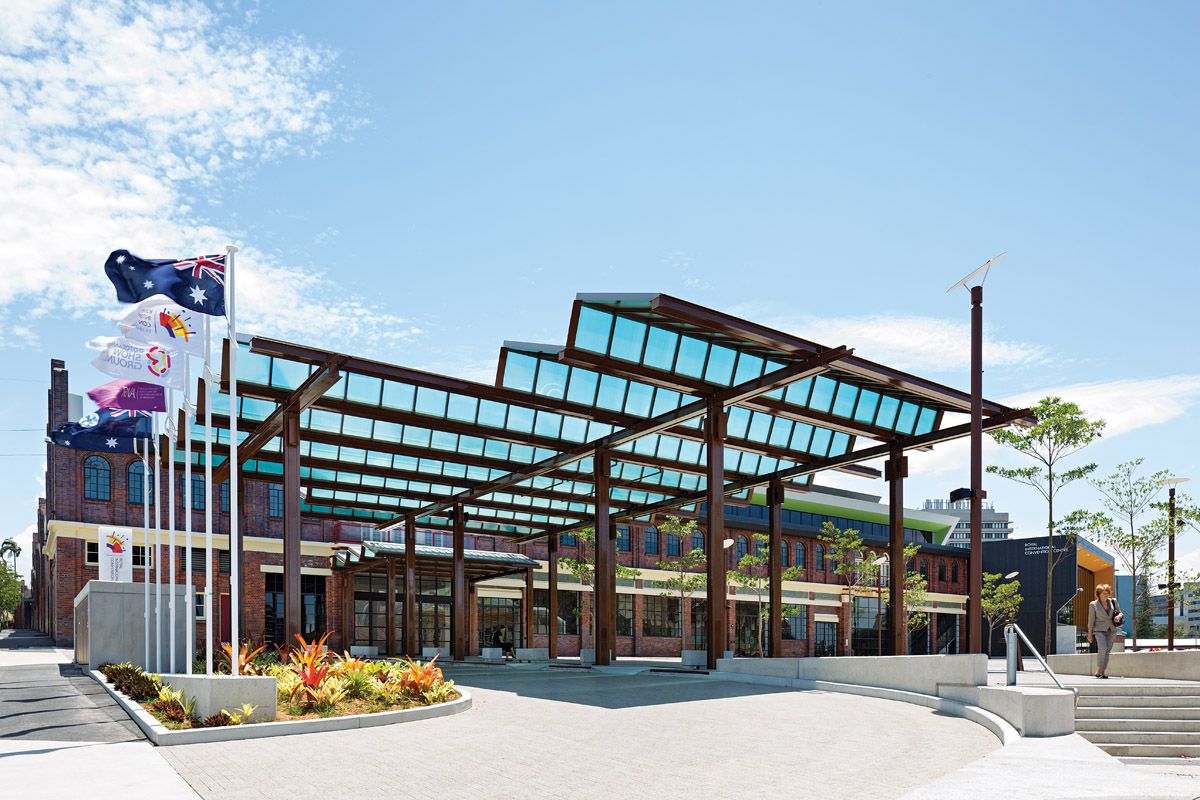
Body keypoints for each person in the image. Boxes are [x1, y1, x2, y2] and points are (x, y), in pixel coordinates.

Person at [1087, 584, 1122, 679]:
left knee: (1107, 650)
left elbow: (1120, 612)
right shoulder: (1093, 604)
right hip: (1099, 630)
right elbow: (1091, 620)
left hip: (1112, 629)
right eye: (1104, 593)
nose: (1106, 595)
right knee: (1102, 647)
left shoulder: (1113, 602)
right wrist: (1089, 634)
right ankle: (1099, 669)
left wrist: (1118, 617)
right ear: (1098, 594)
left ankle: (1102, 671)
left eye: (1107, 593)